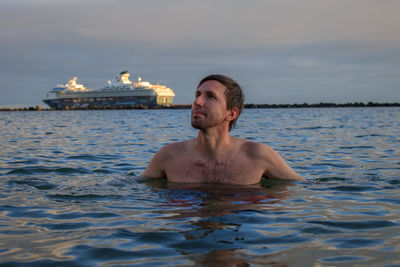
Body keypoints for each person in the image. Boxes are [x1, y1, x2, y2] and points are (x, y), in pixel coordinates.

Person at [143, 74, 305, 185]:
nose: (197, 102)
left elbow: (303, 188)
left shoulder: (257, 155)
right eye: (197, 94)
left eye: (210, 96)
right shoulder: (168, 156)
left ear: (231, 113)